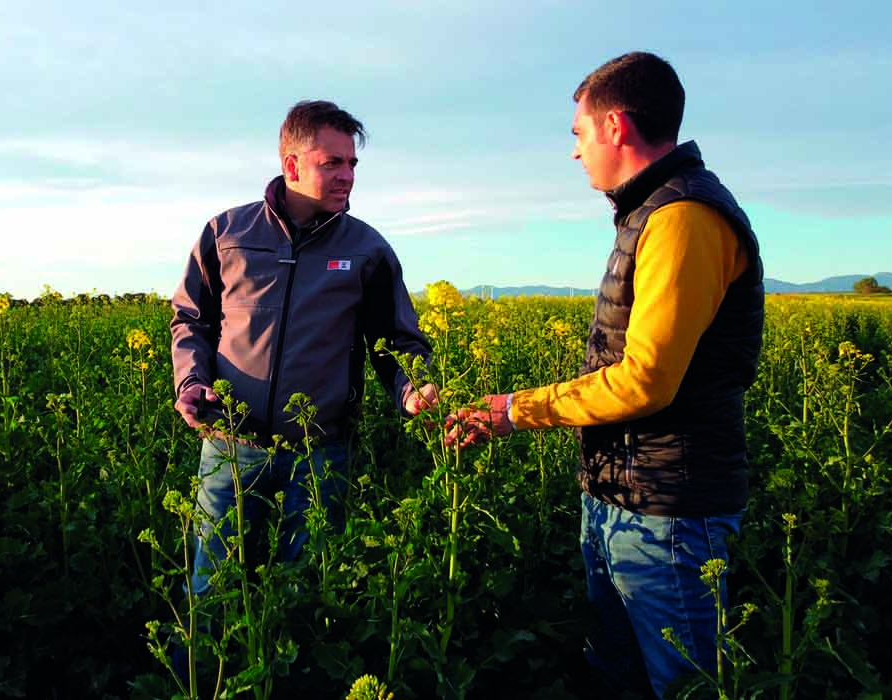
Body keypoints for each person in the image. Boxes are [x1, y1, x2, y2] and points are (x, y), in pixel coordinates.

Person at [446, 52, 764, 698]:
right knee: (616, 675)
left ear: (614, 127)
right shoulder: (650, 213)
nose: (574, 152)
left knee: (684, 684)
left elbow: (646, 379)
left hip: (668, 510)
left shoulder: (683, 218)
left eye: (577, 133)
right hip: (626, 497)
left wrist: (513, 410)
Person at [171, 99, 438, 602]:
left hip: (319, 454)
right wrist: (190, 382)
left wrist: (410, 388)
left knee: (308, 594)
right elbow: (191, 318)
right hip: (230, 446)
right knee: (212, 590)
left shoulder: (368, 249)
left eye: (352, 163)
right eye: (331, 162)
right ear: (292, 165)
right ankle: (203, 679)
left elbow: (397, 342)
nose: (347, 176)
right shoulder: (227, 234)